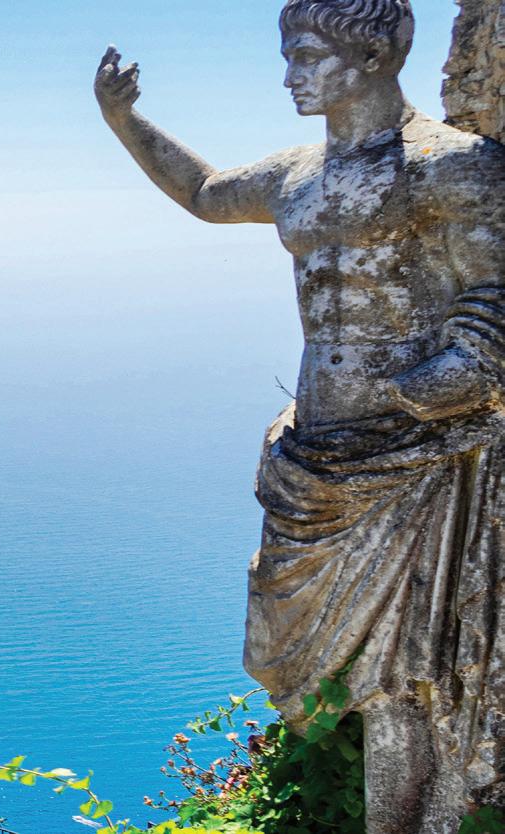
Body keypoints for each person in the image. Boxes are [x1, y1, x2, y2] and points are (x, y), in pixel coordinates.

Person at [96, 2, 505, 831]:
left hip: (412, 452)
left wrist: (455, 372)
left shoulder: (453, 167)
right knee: (323, 661)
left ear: (375, 53)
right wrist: (123, 120)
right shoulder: (298, 173)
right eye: (288, 56)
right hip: (317, 455)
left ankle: (427, 817)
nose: (289, 76)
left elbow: (493, 290)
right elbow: (205, 193)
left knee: (410, 668)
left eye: (308, 56)